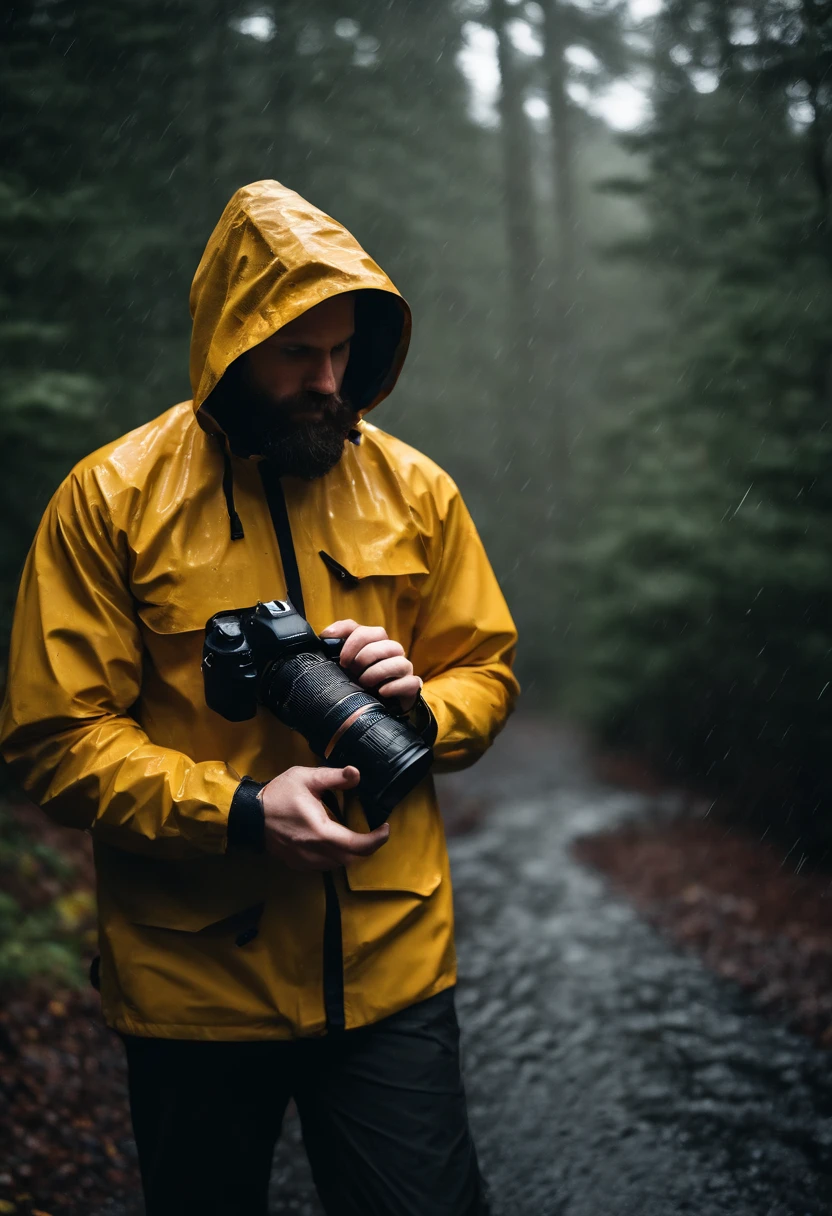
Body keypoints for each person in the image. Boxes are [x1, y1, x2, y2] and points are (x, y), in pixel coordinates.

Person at [0, 180, 519, 1216]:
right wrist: (240, 813)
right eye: (297, 354)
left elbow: (487, 671)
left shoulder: (416, 489)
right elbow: (53, 740)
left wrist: (420, 705)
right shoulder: (113, 500)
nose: (330, 382)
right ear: (231, 344)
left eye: (343, 352)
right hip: (194, 986)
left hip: (390, 968)